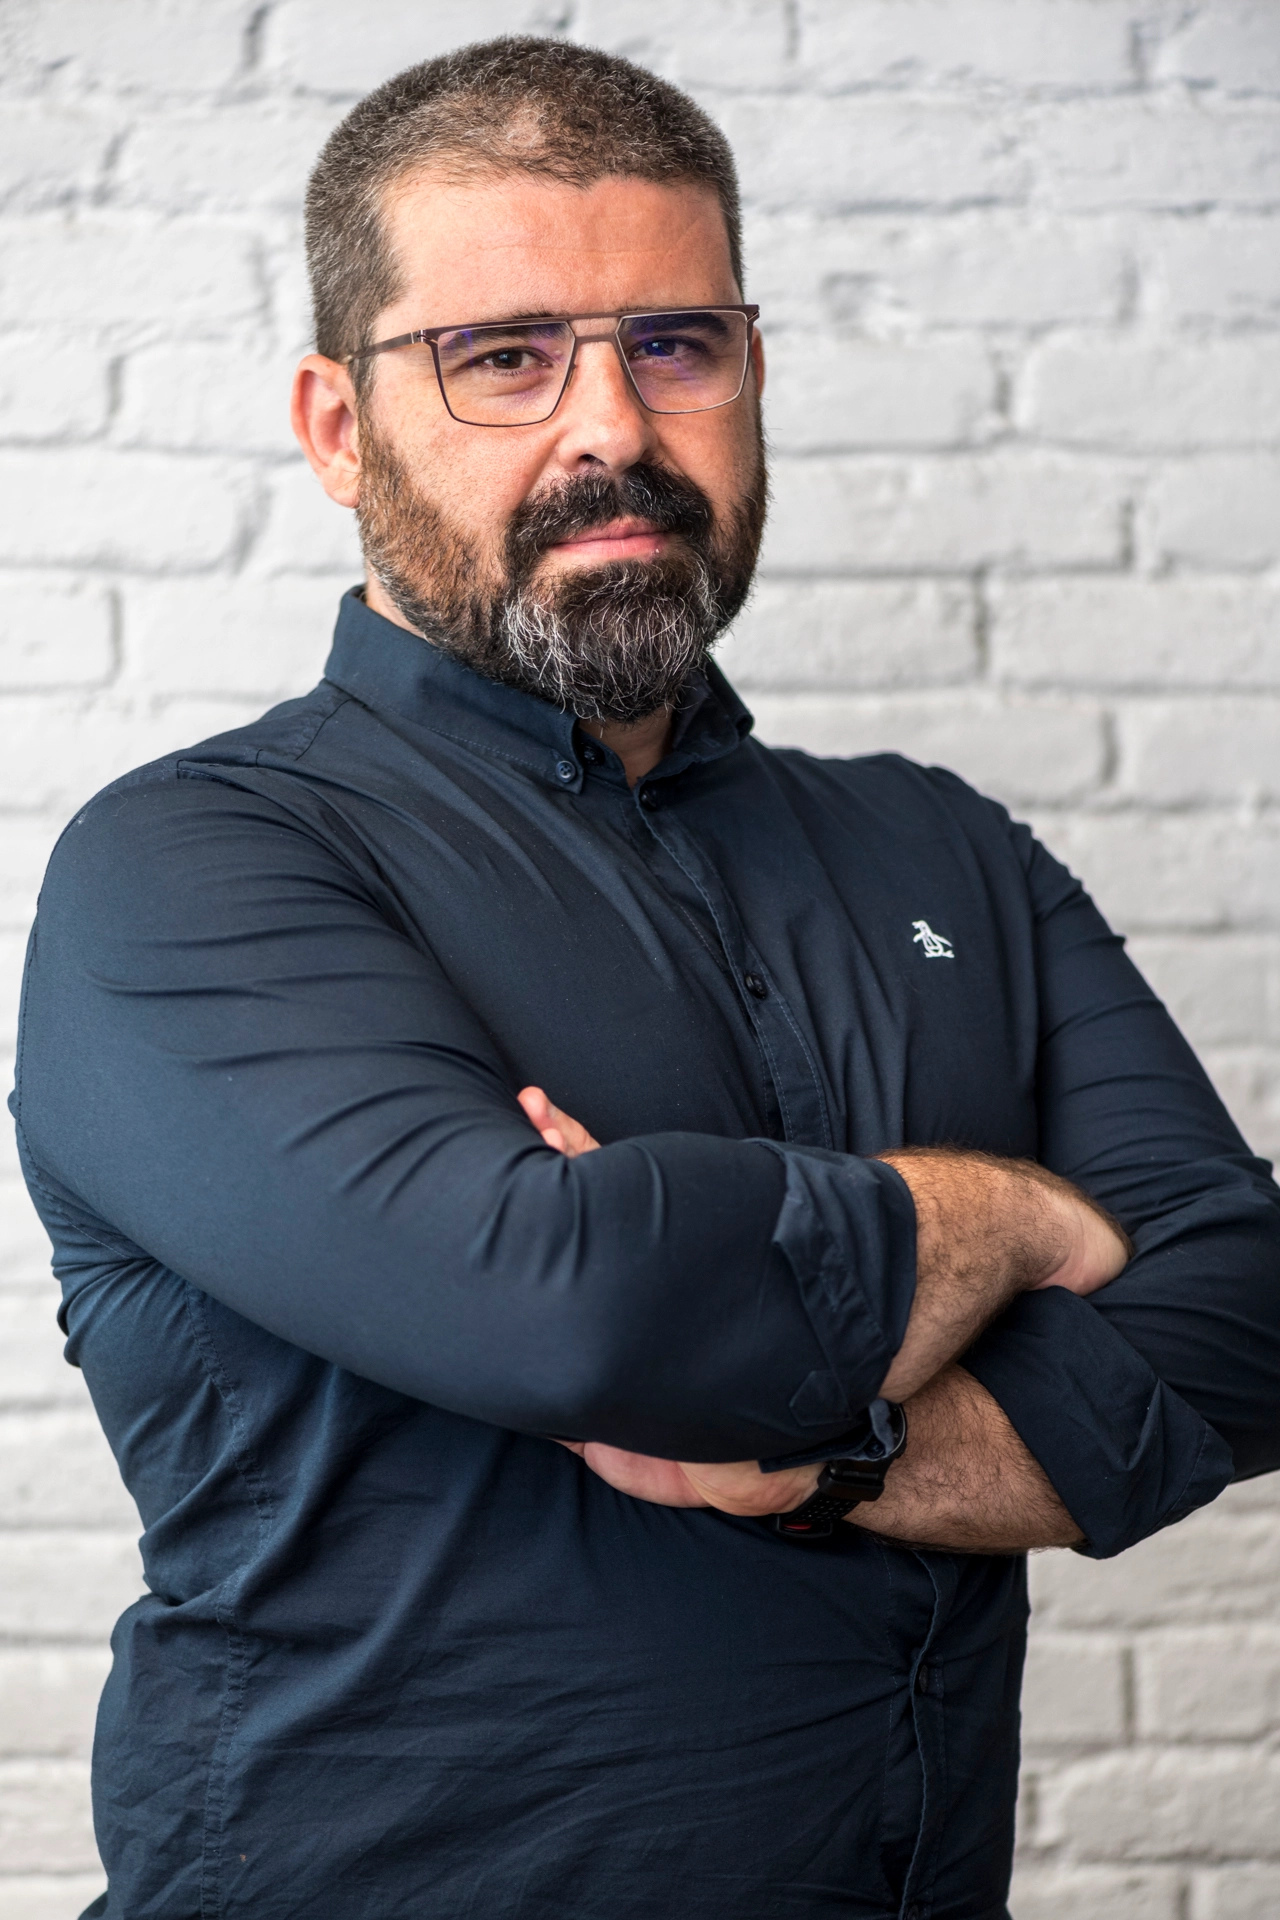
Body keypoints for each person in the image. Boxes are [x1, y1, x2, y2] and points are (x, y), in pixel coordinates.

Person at [12, 34, 1280, 1920]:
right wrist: (1006, 1214)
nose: (609, 426)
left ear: (750, 377)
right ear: (340, 427)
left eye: (672, 346)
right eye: (503, 356)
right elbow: (576, 1310)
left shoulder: (941, 851)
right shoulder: (190, 869)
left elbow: (1240, 1310)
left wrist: (815, 1464)